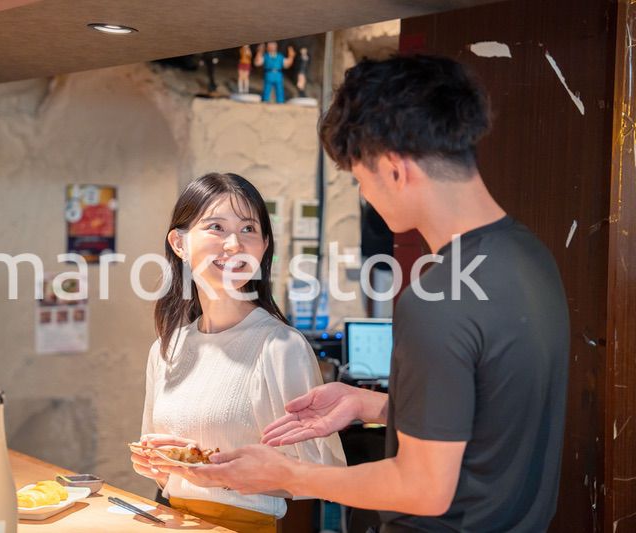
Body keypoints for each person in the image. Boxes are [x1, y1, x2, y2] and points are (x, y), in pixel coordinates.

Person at [157, 56, 570, 532]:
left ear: (394, 168)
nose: (364, 193)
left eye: (360, 177)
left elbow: (423, 489)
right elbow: (495, 420)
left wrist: (289, 473)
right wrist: (370, 404)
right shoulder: (530, 257)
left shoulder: (436, 299)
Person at [132, 172, 345, 533]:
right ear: (179, 243)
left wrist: (221, 478)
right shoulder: (166, 347)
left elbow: (324, 475)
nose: (234, 244)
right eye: (216, 227)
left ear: (263, 247)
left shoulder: (281, 347)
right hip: (172, 522)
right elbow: (160, 468)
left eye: (248, 229)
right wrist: (153, 464)